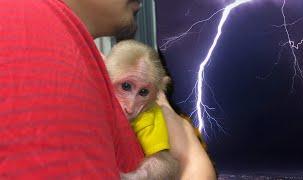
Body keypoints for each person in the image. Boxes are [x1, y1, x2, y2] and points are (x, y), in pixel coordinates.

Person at [0, 0, 216, 179]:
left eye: (143, 92)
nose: (131, 106)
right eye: (125, 86)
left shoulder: (79, 53)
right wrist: (194, 161)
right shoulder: (25, 25)